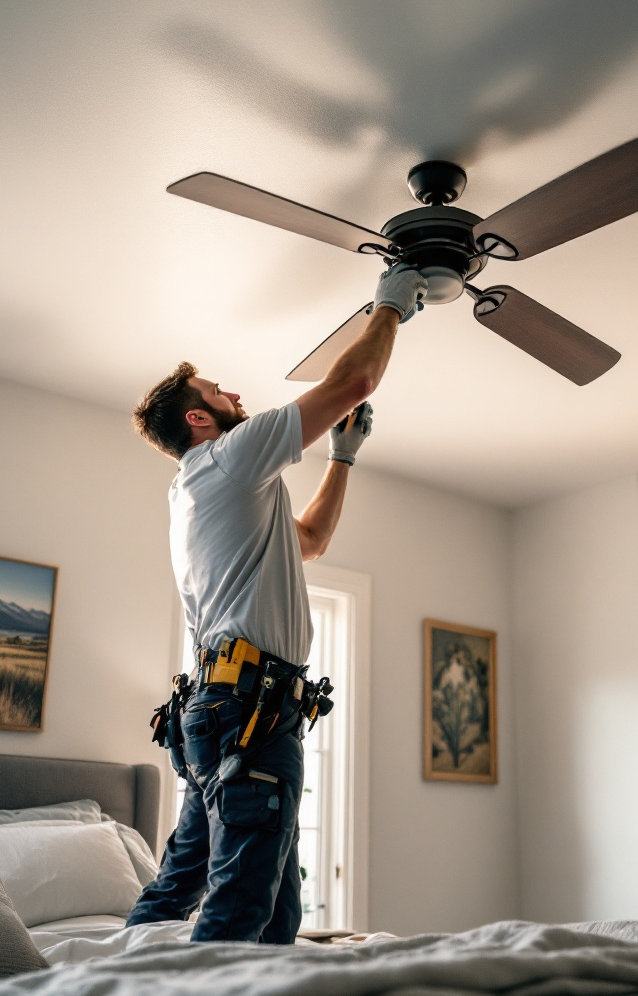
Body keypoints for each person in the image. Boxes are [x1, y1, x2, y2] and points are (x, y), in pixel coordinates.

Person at [125, 264, 428, 943]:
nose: (235, 392)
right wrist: (390, 306)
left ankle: (111, 975)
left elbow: (312, 541)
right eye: (215, 390)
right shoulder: (231, 456)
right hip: (247, 714)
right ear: (200, 419)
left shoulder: (207, 487)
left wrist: (342, 458)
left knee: (219, 892)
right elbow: (354, 381)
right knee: (244, 907)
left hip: (229, 711)